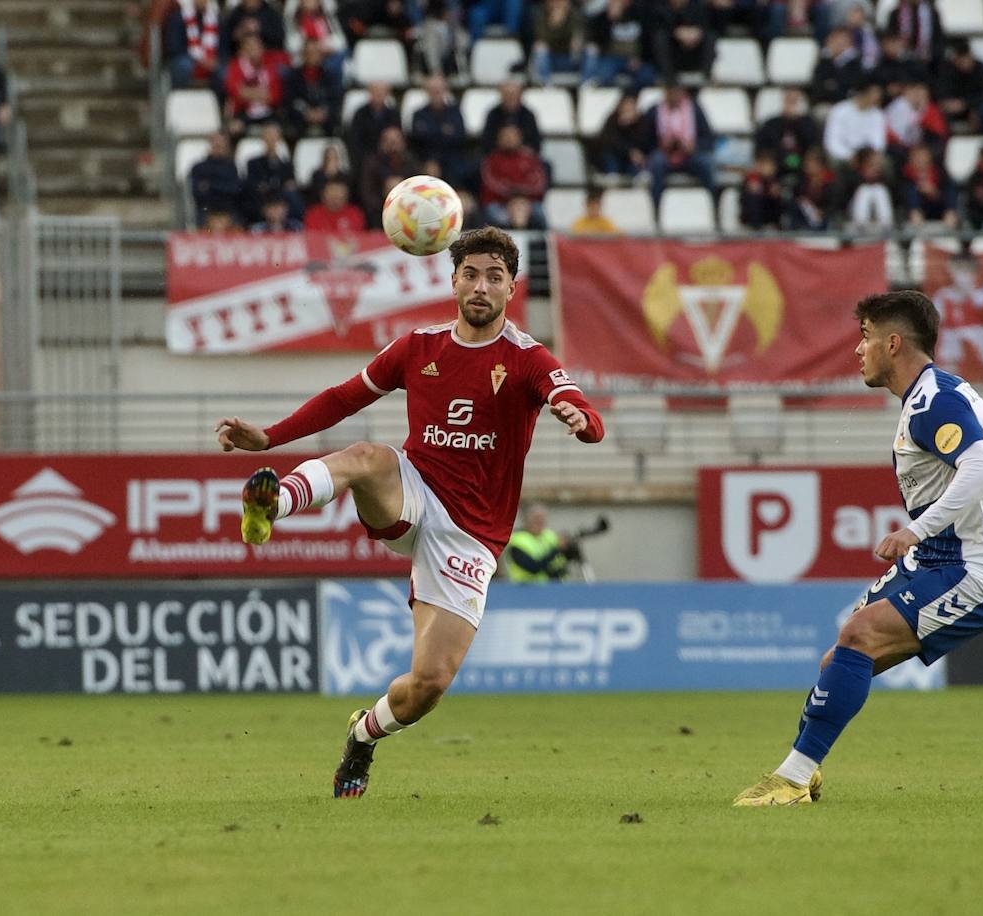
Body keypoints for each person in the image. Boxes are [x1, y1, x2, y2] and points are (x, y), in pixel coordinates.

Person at [214, 228, 605, 799]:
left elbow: (582, 409)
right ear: (452, 281)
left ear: (511, 289)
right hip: (413, 490)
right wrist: (270, 437)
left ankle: (363, 736)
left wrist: (579, 419)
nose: (480, 286)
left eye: (494, 277)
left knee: (427, 686)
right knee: (367, 457)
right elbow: (344, 397)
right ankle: (275, 503)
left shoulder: (527, 359)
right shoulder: (418, 347)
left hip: (471, 534)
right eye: (470, 274)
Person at [732, 289, 983, 806]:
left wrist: (916, 530)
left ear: (892, 343)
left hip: (974, 568)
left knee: (860, 635)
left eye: (863, 338)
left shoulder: (935, 401)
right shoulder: (936, 396)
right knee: (837, 659)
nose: (856, 350)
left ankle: (792, 779)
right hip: (937, 560)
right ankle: (807, 767)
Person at [644, 83, 716, 206]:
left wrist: (694, 146)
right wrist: (661, 145)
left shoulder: (695, 109)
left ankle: (712, 203)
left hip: (689, 156)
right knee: (656, 162)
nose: (674, 96)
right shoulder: (654, 111)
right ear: (666, 93)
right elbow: (645, 140)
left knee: (706, 163)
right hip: (665, 156)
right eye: (671, 92)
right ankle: (656, 207)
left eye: (677, 92)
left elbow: (708, 138)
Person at [505, 503, 570, 583]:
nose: (540, 522)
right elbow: (532, 567)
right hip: (524, 589)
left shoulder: (550, 536)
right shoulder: (517, 540)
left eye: (542, 518)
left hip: (551, 588)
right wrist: (557, 549)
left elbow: (559, 564)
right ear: (526, 520)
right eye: (536, 518)